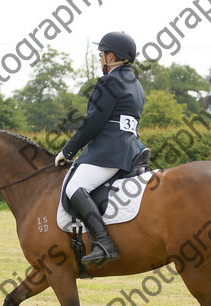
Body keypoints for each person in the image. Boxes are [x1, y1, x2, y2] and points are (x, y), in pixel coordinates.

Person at [55, 31, 145, 267]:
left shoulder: (110, 81)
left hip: (109, 152)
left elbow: (93, 122)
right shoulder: (136, 85)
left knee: (75, 186)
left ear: (111, 56)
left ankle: (104, 242)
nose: (100, 59)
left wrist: (67, 151)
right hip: (131, 149)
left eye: (101, 54)